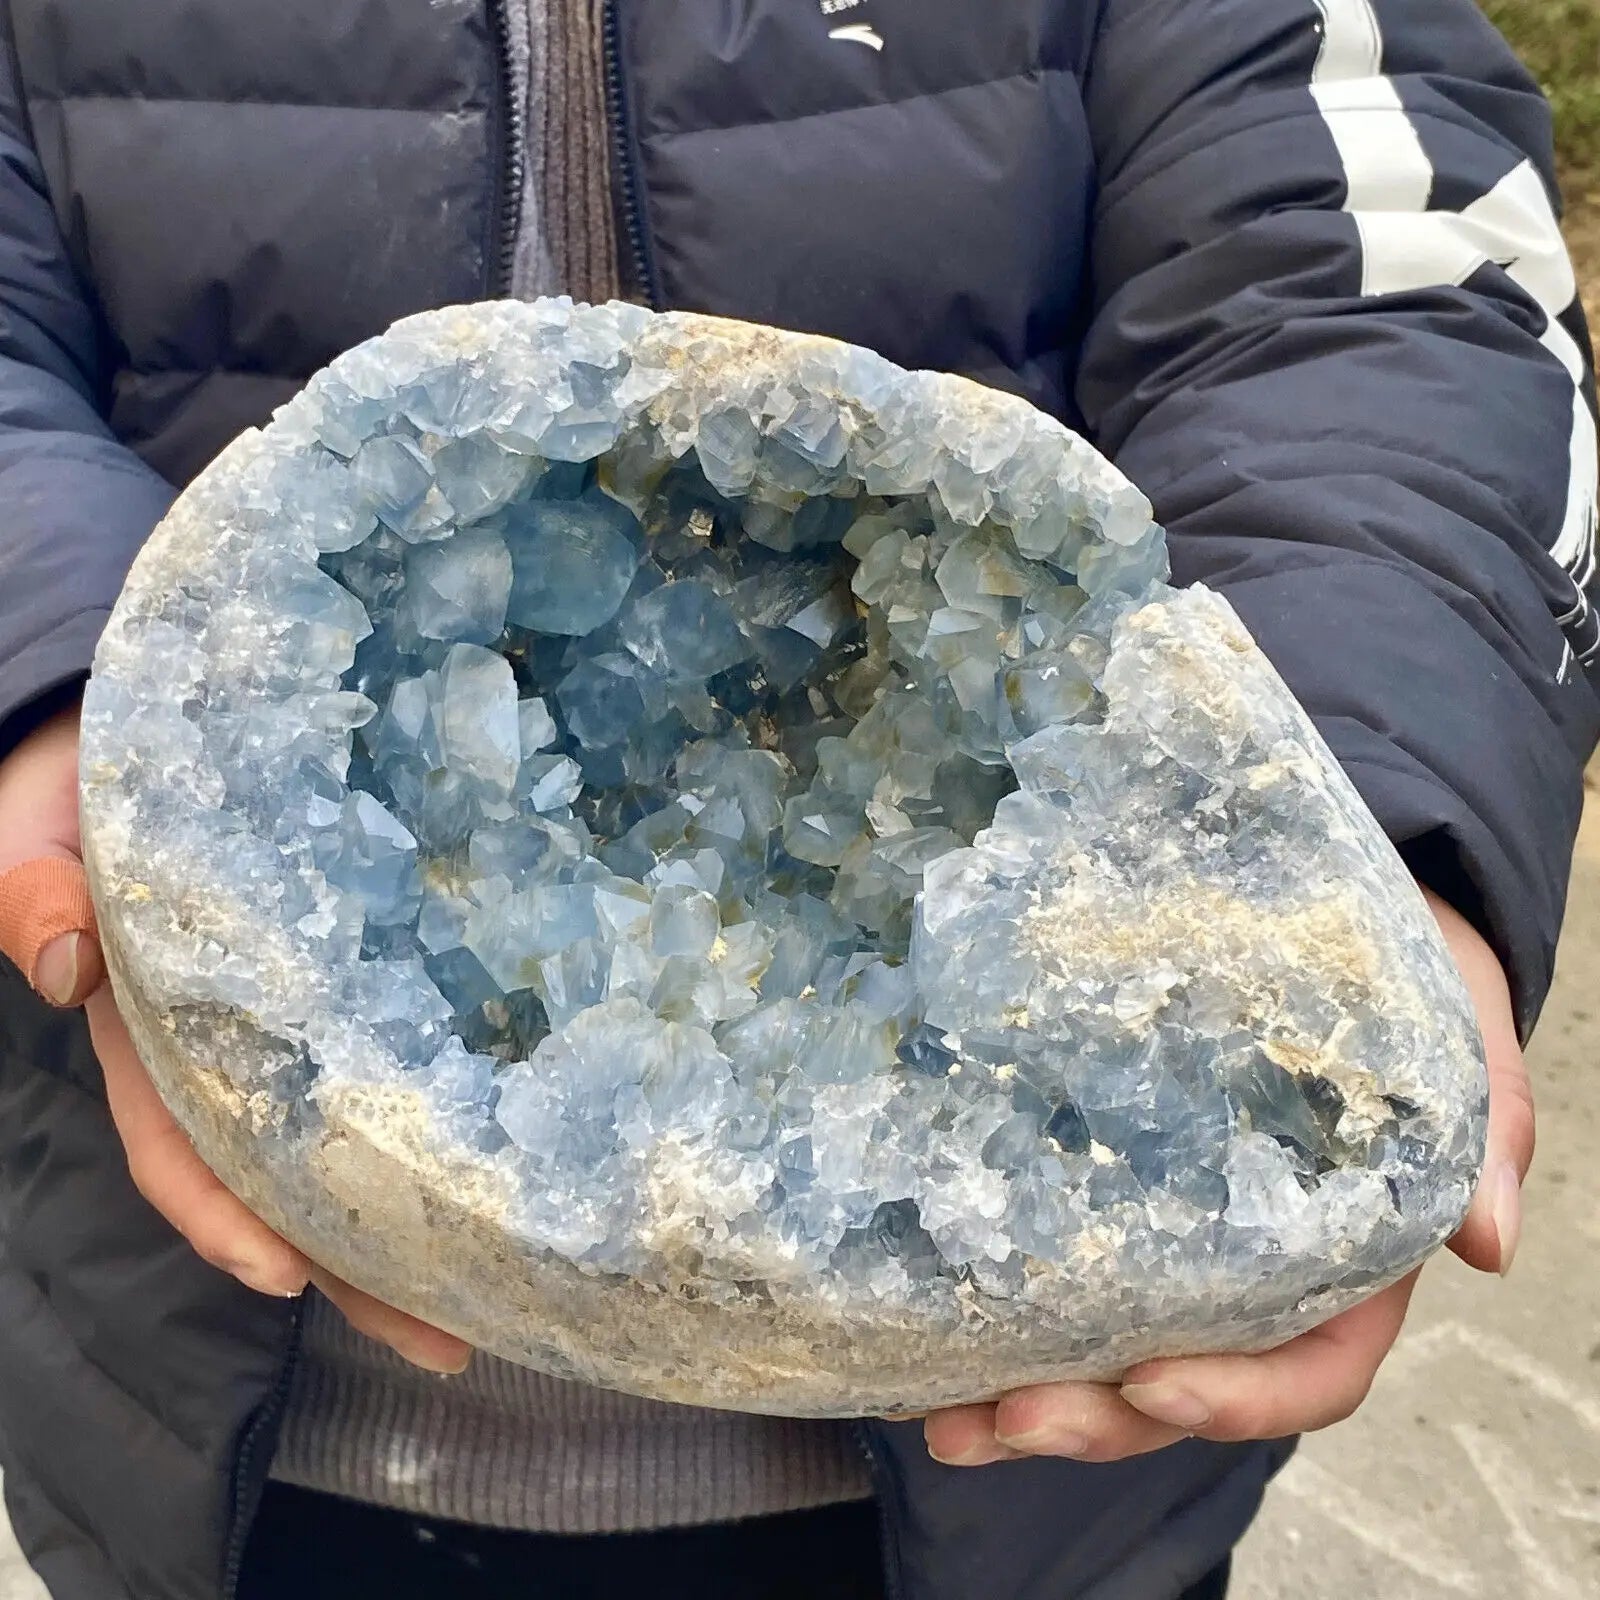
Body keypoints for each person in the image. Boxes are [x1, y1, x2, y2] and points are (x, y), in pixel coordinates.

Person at [0, 1, 1588, 1596]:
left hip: (1008, 1493)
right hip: (200, 1391)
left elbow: (1382, 280)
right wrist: (51, 679)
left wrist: (1361, 805)